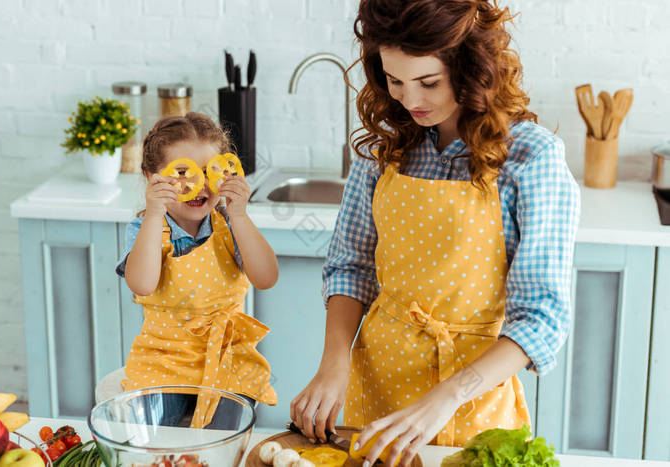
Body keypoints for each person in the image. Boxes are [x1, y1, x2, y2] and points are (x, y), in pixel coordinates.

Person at [290, 0, 580, 465]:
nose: (411, 100)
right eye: (395, 80)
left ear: (471, 68)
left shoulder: (530, 157)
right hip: (378, 384)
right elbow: (352, 266)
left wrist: (446, 397)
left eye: (428, 82)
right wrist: (333, 364)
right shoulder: (385, 148)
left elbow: (542, 319)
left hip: (471, 396)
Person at [116, 112, 278, 428]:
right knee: (156, 441)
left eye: (210, 172)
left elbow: (267, 277)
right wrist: (152, 215)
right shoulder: (145, 227)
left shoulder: (231, 225)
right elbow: (142, 284)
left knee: (223, 441)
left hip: (227, 357)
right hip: (163, 360)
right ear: (153, 179)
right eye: (182, 173)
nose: (199, 184)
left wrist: (241, 216)